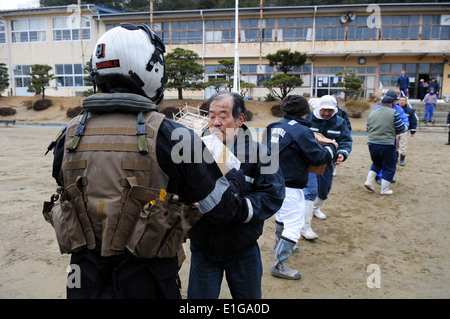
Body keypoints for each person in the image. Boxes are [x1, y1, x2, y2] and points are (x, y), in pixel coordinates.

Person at [42, 24, 248, 299]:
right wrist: (232, 176)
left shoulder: (68, 134)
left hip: (82, 280)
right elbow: (222, 209)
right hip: (147, 281)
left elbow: (66, 185)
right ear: (152, 70)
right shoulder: (171, 135)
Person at [187, 92, 285, 298]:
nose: (216, 122)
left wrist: (238, 209)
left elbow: (272, 196)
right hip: (203, 248)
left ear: (240, 119)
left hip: (243, 248)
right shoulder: (194, 152)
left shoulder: (262, 154)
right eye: (211, 116)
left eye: (223, 116)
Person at [264, 95, 338, 279]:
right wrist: (331, 147)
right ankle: (279, 264)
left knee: (282, 217)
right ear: (306, 113)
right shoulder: (301, 131)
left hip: (271, 181)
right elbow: (318, 157)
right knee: (295, 224)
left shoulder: (273, 126)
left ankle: (280, 245)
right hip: (289, 184)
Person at [302, 95, 352, 237]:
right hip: (309, 161)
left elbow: (346, 140)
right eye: (324, 110)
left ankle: (315, 208)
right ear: (319, 108)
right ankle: (306, 227)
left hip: (327, 160)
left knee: (324, 190)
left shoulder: (340, 122)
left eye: (330, 111)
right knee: (310, 191)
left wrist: (342, 153)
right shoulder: (308, 119)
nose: (326, 113)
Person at [364, 95, 407, 195]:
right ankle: (384, 189)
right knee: (389, 166)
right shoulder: (394, 113)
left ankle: (369, 182)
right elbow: (401, 128)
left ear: (381, 103)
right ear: (391, 105)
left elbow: (367, 129)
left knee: (376, 163)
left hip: (372, 143)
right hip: (387, 143)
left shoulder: (372, 113)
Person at [397, 96, 417, 166]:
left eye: (403, 100)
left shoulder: (410, 110)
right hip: (395, 130)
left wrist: (413, 130)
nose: (402, 101)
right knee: (395, 145)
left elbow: (413, 120)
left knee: (403, 145)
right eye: (400, 100)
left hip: (405, 130)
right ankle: (395, 158)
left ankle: (402, 159)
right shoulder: (394, 109)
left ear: (406, 102)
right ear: (398, 101)